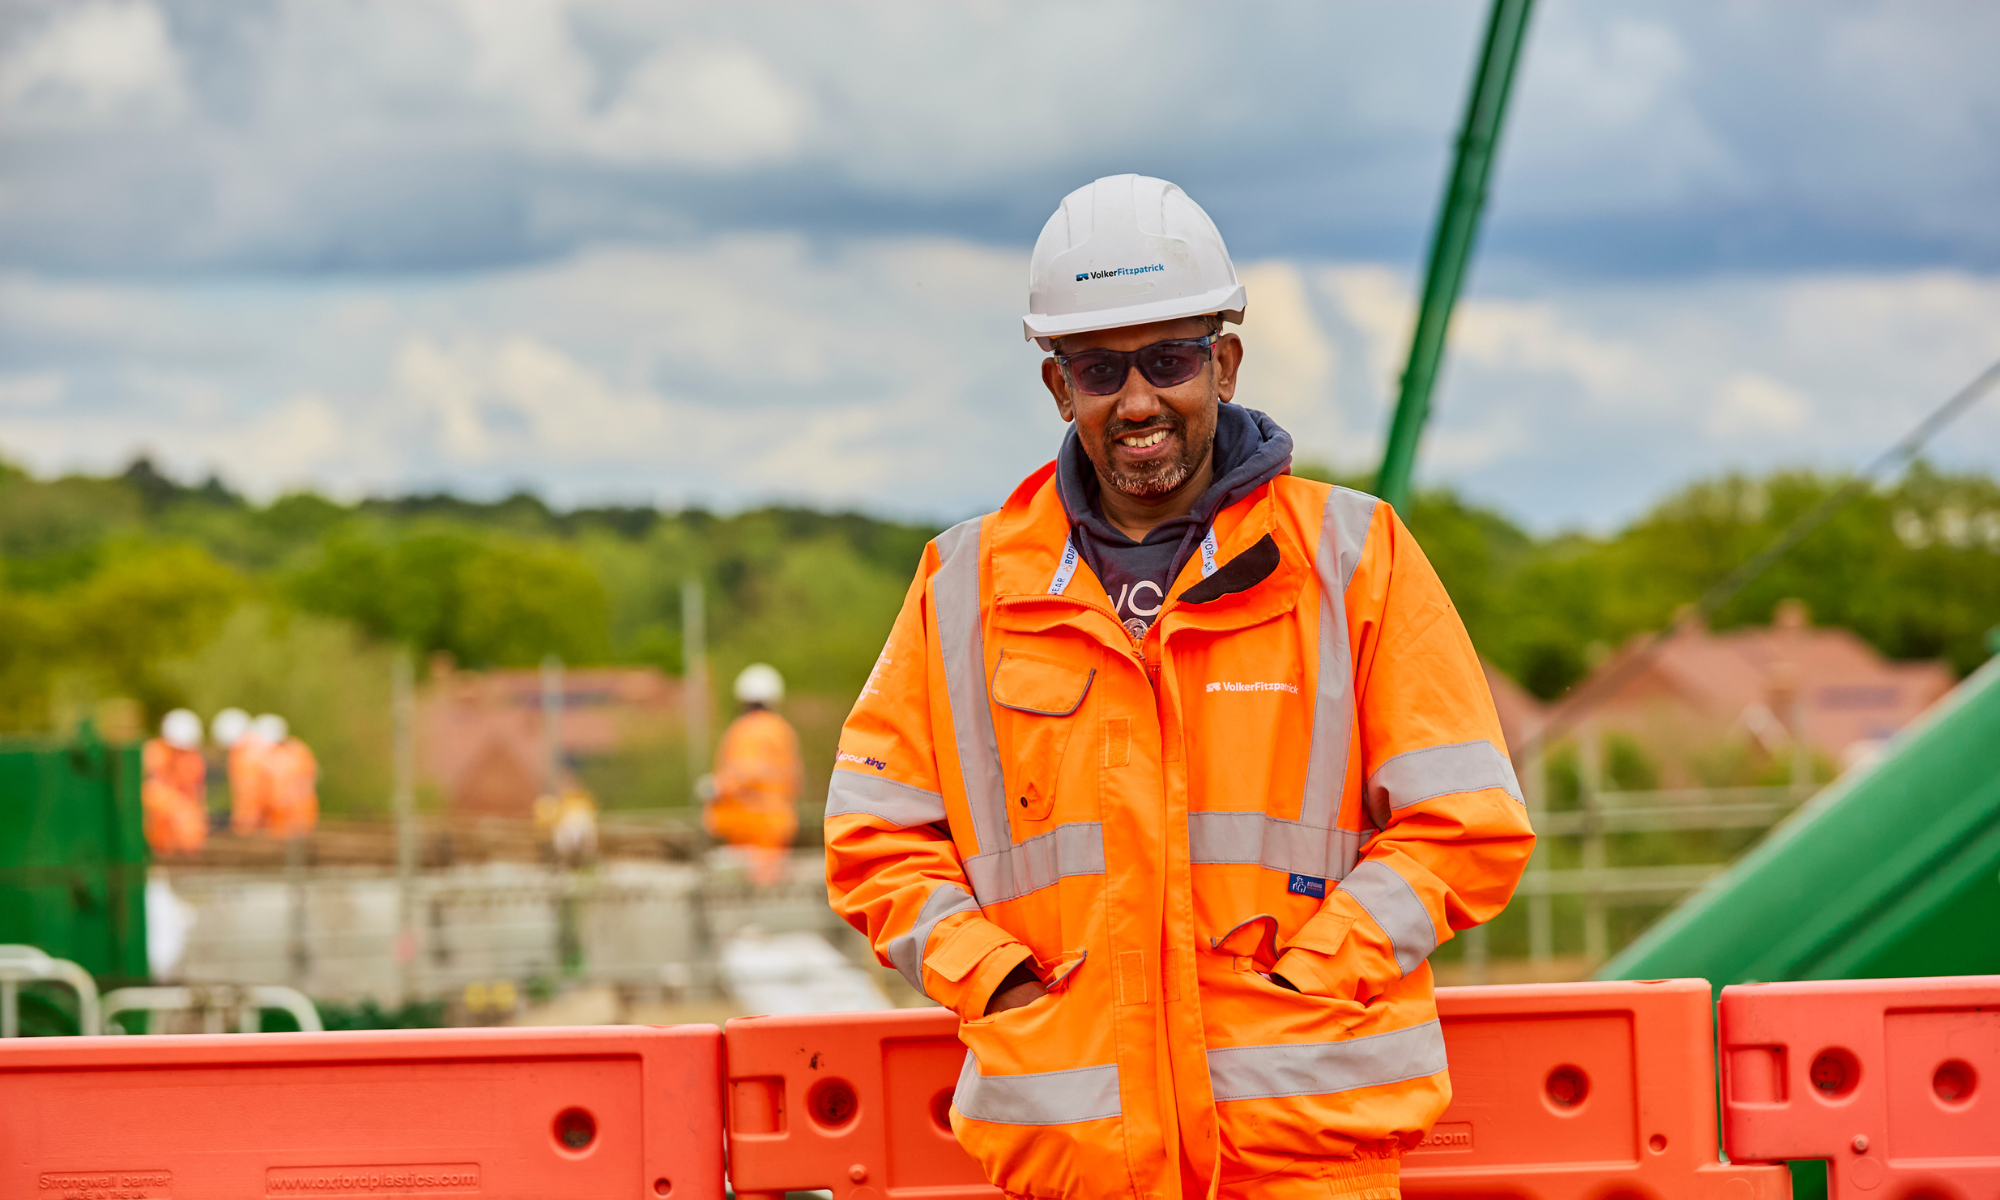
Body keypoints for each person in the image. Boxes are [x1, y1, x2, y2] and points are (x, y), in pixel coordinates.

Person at [824, 175, 1535, 1200]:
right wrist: (997, 980)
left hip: (1306, 1160)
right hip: (1075, 1164)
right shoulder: (964, 587)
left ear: (1224, 364)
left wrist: (1315, 971)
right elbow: (871, 836)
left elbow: (1465, 821)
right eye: (1099, 369)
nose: (1138, 400)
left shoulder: (1350, 557)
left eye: (1168, 360)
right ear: (1057, 389)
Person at [705, 663, 803, 886]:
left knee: (751, 889)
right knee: (773, 883)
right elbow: (794, 777)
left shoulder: (747, 729)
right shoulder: (782, 729)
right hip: (778, 822)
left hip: (749, 824)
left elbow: (745, 771)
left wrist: (716, 788)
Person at [141, 708, 208, 855]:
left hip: (179, 819)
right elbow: (150, 789)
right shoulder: (154, 753)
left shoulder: (193, 759)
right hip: (156, 818)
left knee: (190, 826)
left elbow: (195, 793)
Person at [256, 713, 320, 840]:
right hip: (305, 820)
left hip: (282, 824)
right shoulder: (300, 751)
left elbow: (272, 797)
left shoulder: (273, 758)